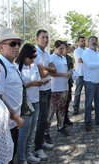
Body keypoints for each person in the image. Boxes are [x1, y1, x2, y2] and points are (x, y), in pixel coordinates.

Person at [0, 28, 24, 164]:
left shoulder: (12, 64)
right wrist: (15, 117)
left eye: (18, 43)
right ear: (1, 47)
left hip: (13, 123)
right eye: (12, 44)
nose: (16, 47)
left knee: (11, 154)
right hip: (6, 124)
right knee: (6, 158)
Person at [15, 44, 48, 164]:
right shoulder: (17, 68)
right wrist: (33, 84)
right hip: (25, 104)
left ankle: (28, 154)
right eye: (31, 57)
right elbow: (18, 86)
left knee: (31, 131)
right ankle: (21, 158)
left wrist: (41, 82)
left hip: (36, 100)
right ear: (24, 56)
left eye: (35, 57)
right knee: (24, 133)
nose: (33, 59)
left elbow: (37, 78)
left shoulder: (33, 66)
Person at [33, 29, 56, 160]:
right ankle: (37, 149)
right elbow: (42, 74)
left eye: (47, 37)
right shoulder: (35, 54)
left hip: (48, 88)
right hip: (40, 91)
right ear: (37, 39)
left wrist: (47, 68)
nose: (46, 40)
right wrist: (49, 69)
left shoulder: (47, 53)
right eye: (43, 37)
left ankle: (41, 142)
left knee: (45, 119)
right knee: (41, 120)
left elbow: (54, 69)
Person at [46, 40, 71, 136]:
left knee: (62, 109)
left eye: (63, 48)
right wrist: (64, 74)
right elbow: (51, 73)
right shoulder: (51, 58)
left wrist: (69, 73)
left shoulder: (63, 58)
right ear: (54, 48)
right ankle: (46, 131)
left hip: (64, 87)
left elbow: (64, 70)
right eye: (60, 48)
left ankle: (60, 127)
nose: (62, 50)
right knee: (51, 111)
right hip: (55, 88)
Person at [73, 36, 86, 114]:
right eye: (81, 41)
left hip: (87, 74)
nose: (83, 42)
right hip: (80, 74)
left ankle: (89, 106)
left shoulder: (87, 51)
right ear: (78, 42)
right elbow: (80, 60)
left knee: (88, 92)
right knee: (78, 92)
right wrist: (90, 61)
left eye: (84, 41)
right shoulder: (76, 51)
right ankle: (75, 107)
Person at [63, 42, 74, 125]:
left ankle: (65, 117)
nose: (70, 49)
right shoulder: (60, 57)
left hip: (69, 81)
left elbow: (71, 68)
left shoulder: (69, 58)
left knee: (68, 99)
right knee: (61, 102)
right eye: (69, 47)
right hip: (61, 82)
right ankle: (61, 119)